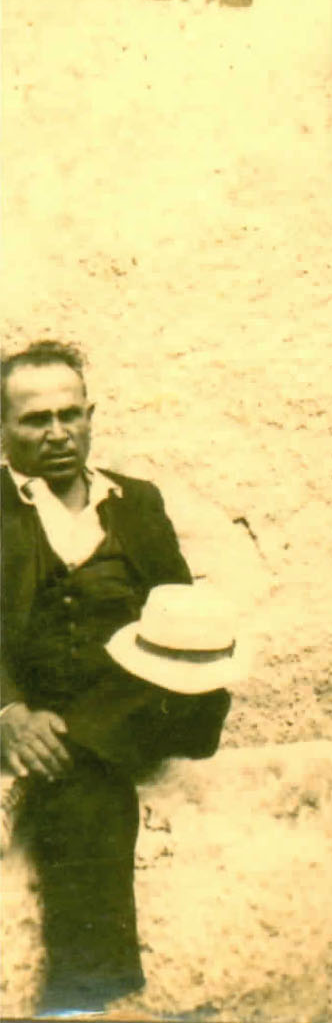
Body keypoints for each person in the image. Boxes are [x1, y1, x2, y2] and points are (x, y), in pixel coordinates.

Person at [0, 340, 251, 1016]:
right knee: (85, 791)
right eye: (34, 419)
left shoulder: (137, 501)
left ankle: (64, 747)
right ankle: (80, 999)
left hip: (143, 699)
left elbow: (180, 617)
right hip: (41, 709)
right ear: (3, 428)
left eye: (69, 414)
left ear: (91, 416)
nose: (57, 432)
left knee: (170, 694)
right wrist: (9, 712)